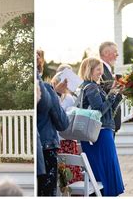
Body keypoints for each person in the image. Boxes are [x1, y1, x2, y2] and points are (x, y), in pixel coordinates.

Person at [77, 57, 124, 196]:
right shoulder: (91, 87)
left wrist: (117, 95)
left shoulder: (93, 86)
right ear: (89, 70)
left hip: (101, 132)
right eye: (98, 70)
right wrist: (110, 96)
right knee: (105, 169)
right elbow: (98, 111)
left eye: (102, 70)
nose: (101, 73)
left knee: (102, 169)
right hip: (100, 133)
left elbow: (109, 111)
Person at [36, 50, 69, 196]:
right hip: (47, 148)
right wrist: (55, 94)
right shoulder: (47, 89)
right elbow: (63, 123)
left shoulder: (48, 90)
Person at [99, 41, 122, 136]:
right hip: (106, 121)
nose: (118, 55)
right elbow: (102, 91)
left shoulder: (108, 70)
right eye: (115, 52)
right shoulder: (100, 70)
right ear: (106, 53)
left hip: (111, 121)